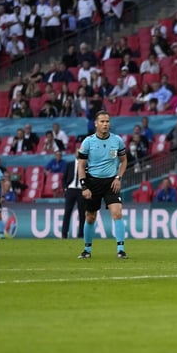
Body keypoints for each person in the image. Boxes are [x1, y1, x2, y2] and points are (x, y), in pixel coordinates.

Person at [77, 111, 128, 259]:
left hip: (111, 182)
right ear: (96, 124)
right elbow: (81, 165)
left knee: (117, 213)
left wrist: (118, 177)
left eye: (107, 121)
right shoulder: (88, 142)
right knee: (90, 217)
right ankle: (87, 250)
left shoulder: (117, 140)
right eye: (102, 122)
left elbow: (124, 161)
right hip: (93, 182)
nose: (105, 124)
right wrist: (84, 186)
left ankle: (121, 249)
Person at [62, 157, 85, 239]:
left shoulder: (86, 165)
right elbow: (64, 177)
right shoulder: (70, 164)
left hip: (81, 190)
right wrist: (65, 188)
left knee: (82, 214)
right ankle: (64, 234)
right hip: (71, 189)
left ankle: (81, 234)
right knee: (67, 212)